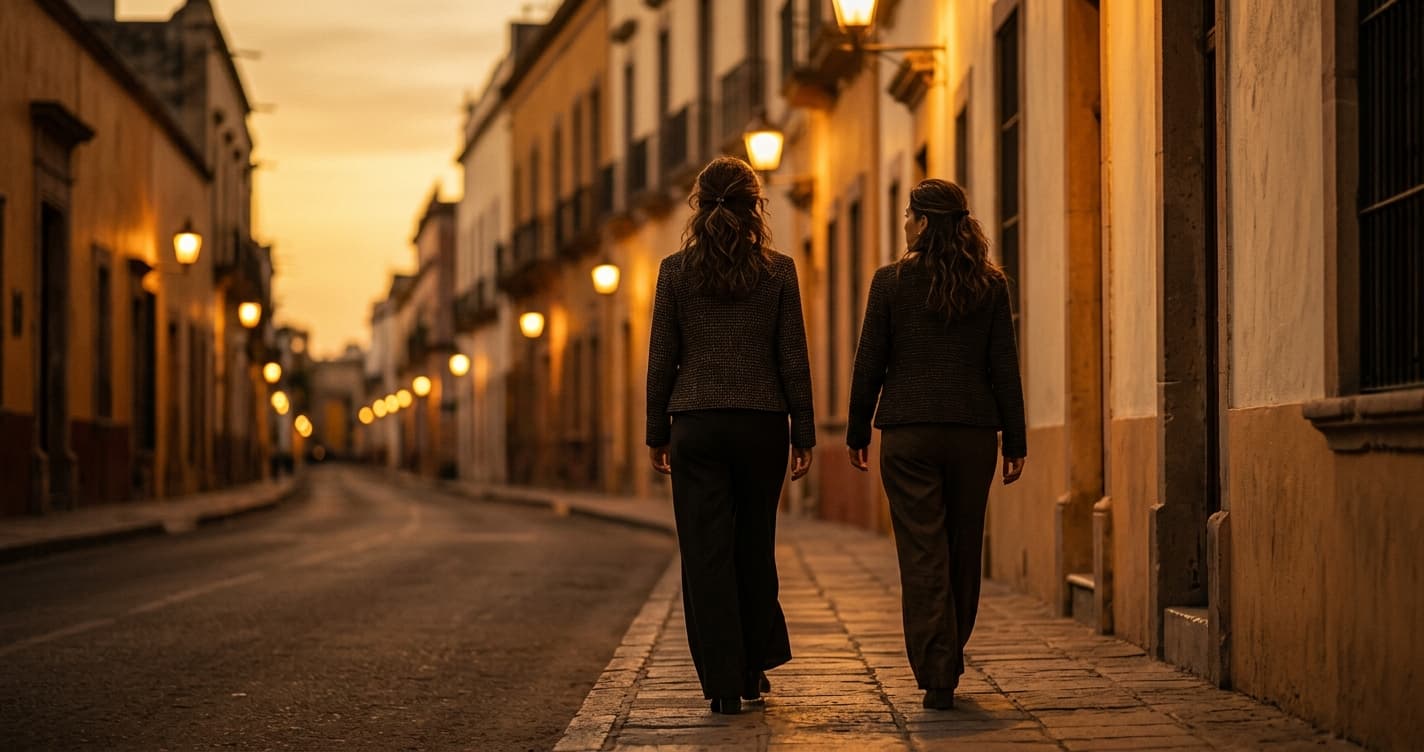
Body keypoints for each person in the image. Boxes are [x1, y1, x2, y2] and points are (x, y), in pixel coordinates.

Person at [846, 178, 1027, 711]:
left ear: (923, 223)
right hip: (973, 435)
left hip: (909, 435)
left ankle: (936, 668)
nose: (904, 222)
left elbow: (869, 364)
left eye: (908, 214)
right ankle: (949, 653)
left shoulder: (890, 282)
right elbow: (1004, 369)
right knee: (963, 547)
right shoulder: (990, 286)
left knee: (922, 551)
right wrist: (1014, 439)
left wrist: (858, 431)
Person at [646, 156, 815, 715]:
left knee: (705, 554)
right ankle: (751, 668)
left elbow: (662, 359)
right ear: (755, 205)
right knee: (753, 547)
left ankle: (722, 684)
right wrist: (804, 431)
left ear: (699, 206)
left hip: (695, 424)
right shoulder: (779, 271)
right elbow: (792, 356)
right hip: (762, 425)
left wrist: (656, 432)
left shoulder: (674, 271)